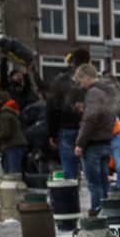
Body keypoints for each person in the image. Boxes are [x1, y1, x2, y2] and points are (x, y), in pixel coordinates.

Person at [73, 64, 116, 215]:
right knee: (104, 182)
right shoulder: (107, 92)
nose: (80, 84)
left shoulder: (93, 92)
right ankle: (109, 213)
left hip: (93, 145)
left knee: (94, 184)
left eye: (80, 80)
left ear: (87, 77)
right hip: (105, 142)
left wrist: (80, 143)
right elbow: (103, 115)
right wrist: (85, 109)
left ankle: (97, 215)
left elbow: (92, 118)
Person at [46, 48, 90, 180]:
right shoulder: (90, 80)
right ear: (88, 62)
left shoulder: (59, 81)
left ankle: (71, 198)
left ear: (72, 62)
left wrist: (53, 133)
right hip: (87, 129)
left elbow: (52, 107)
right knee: (91, 173)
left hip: (66, 129)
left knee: (70, 172)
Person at [0, 94, 27, 174]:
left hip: (12, 145)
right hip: (17, 144)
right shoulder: (10, 113)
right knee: (14, 171)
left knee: (12, 173)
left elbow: (5, 133)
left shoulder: (4, 115)